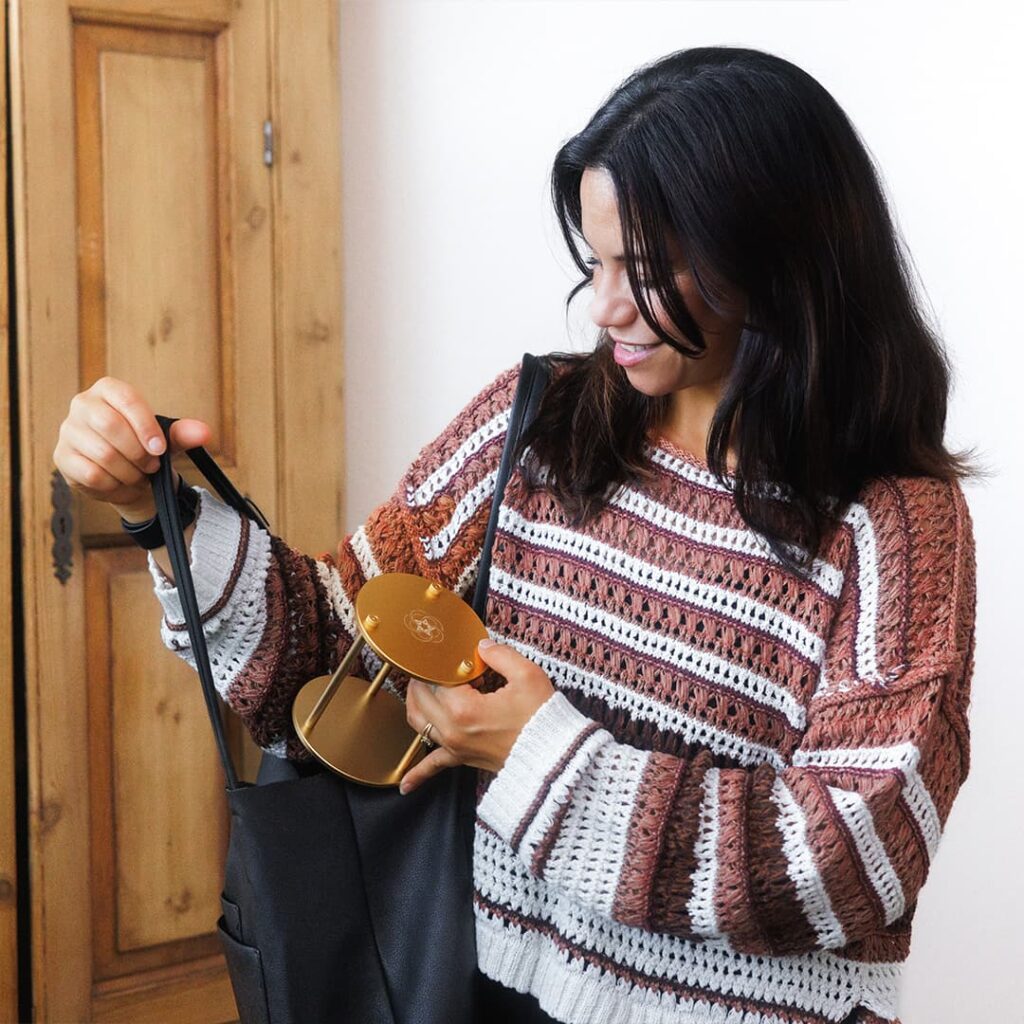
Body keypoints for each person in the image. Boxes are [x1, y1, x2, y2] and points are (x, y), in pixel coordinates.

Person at [54, 46, 979, 1024]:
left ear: (778, 258)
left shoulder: (892, 519)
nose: (607, 307)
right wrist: (159, 511)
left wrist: (537, 753)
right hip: (484, 991)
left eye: (651, 269)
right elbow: (333, 657)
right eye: (598, 261)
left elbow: (854, 857)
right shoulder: (535, 426)